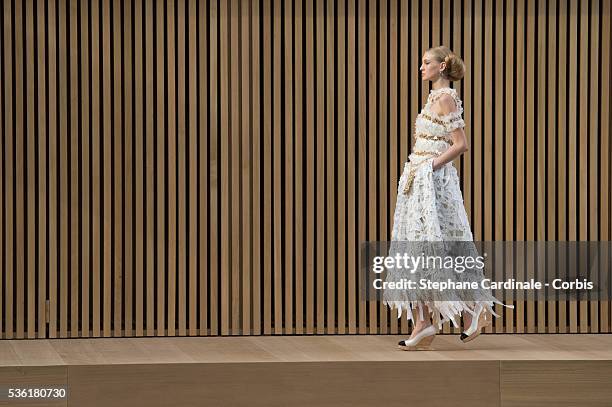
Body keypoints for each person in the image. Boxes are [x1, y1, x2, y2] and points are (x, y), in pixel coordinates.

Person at [382, 46, 513, 350]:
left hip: (433, 182)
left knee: (436, 246)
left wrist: (428, 167)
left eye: (426, 62)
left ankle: (468, 310)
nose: (421, 67)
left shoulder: (445, 98)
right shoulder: (433, 98)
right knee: (416, 248)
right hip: (418, 179)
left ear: (441, 67)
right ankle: (424, 323)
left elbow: (460, 144)